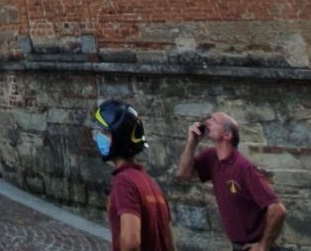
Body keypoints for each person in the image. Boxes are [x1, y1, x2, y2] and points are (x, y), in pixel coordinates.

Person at [177, 111, 286, 251]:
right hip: (237, 245)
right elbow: (183, 174)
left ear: (227, 135)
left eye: (214, 120)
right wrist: (191, 143)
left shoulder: (243, 167)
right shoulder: (211, 157)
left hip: (252, 245)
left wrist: (263, 245)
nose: (208, 122)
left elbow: (278, 210)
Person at [92, 99, 176, 251]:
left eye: (106, 132)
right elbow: (170, 245)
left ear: (118, 138)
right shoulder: (150, 183)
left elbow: (131, 243)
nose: (100, 137)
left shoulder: (124, 182)